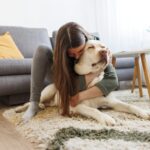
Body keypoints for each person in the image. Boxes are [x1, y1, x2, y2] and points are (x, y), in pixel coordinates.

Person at [23, 22, 118, 121]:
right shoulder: (61, 55)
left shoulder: (96, 45)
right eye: (72, 54)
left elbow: (113, 80)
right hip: (61, 78)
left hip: (78, 83)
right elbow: (68, 86)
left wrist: (99, 69)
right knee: (42, 49)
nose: (77, 56)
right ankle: (33, 104)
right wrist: (98, 70)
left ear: (85, 40)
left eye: (80, 51)